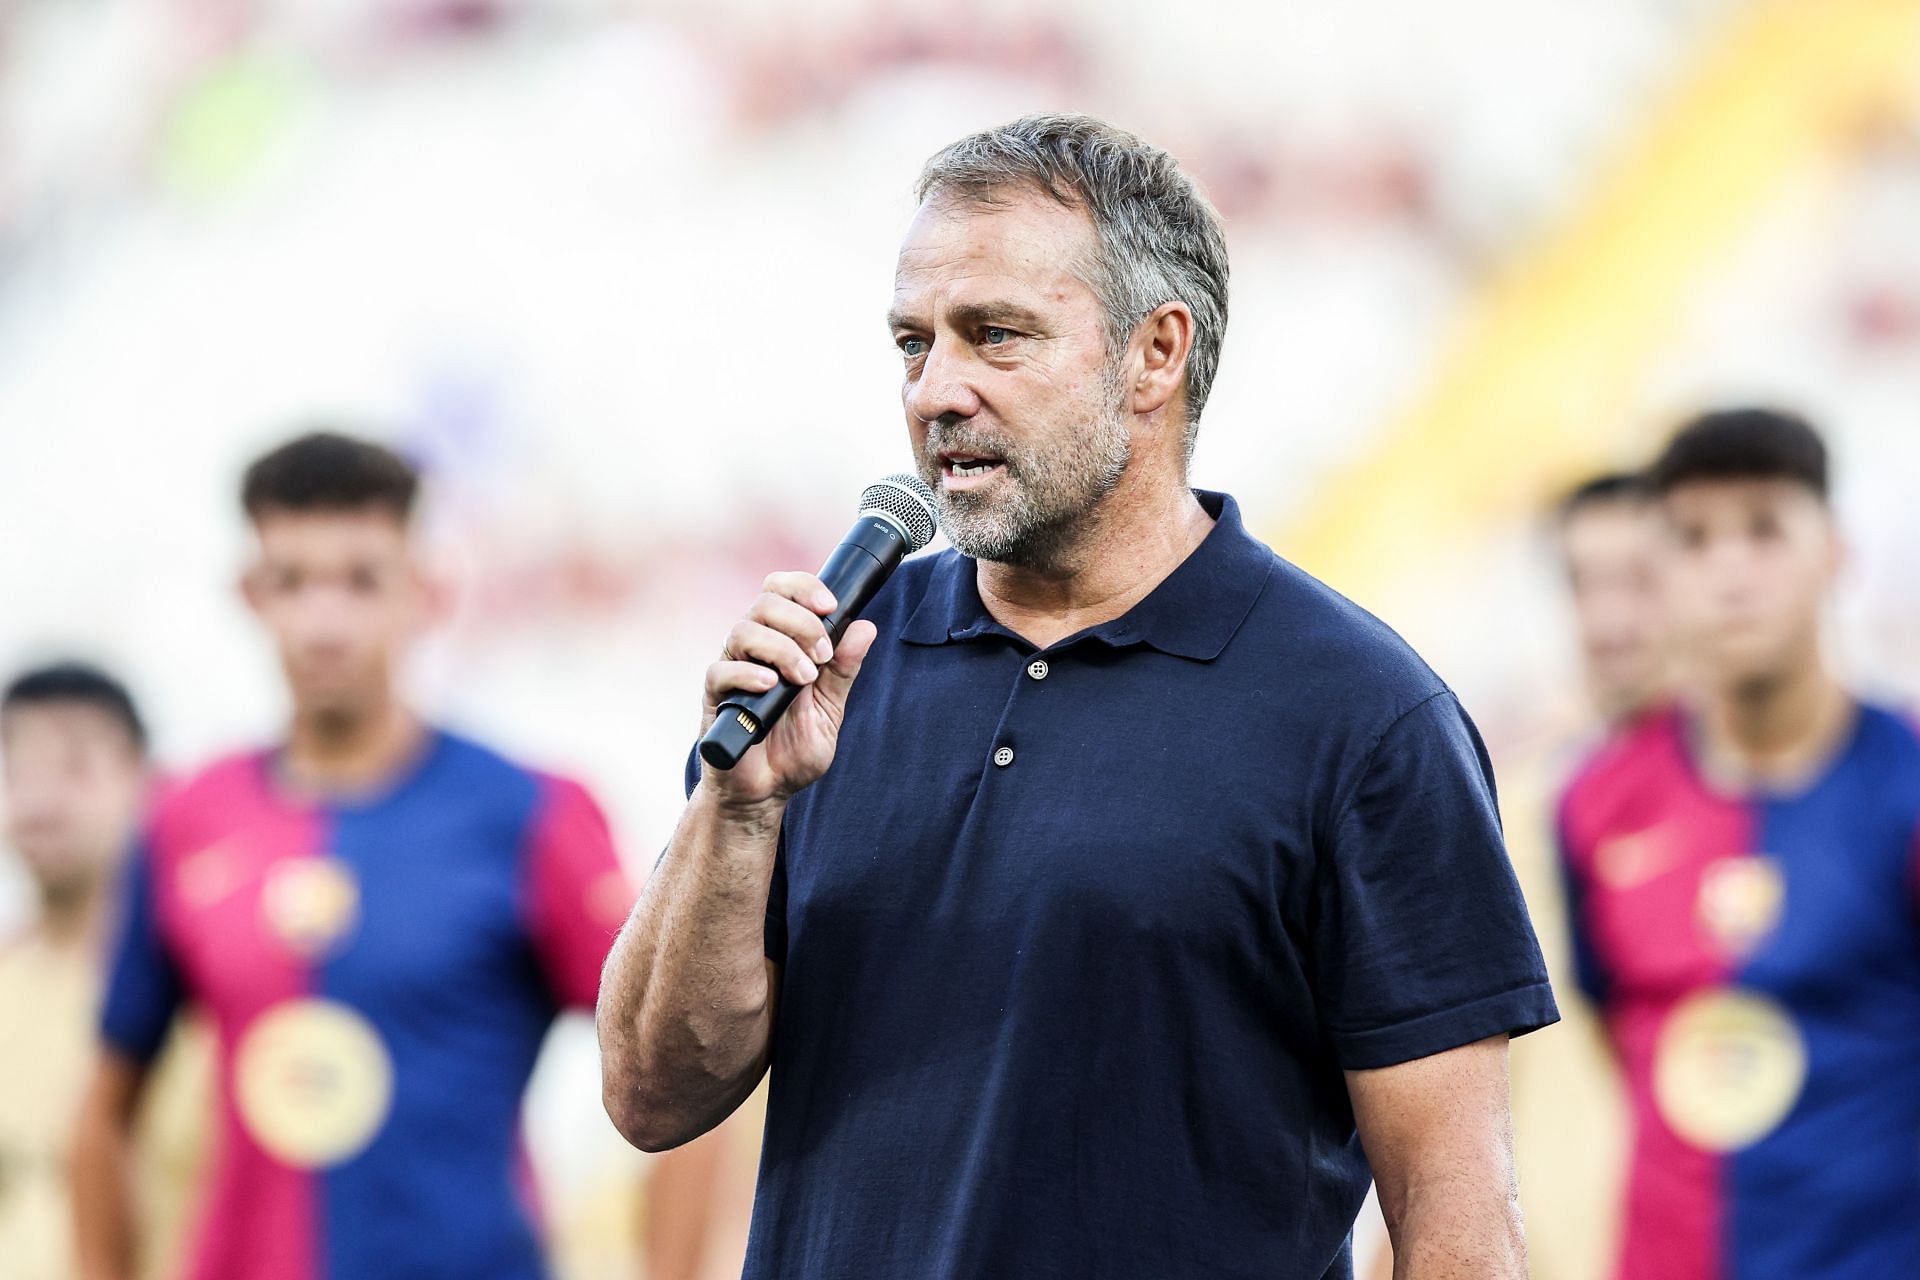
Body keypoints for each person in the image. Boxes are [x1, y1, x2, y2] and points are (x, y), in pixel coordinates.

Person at [598, 113, 1558, 1280]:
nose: (936, 389)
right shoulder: (833, 666)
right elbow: (651, 1092)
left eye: (994, 336)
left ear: (1156, 352)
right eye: (914, 342)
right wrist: (734, 812)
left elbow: (1458, 1219)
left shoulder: (1363, 717)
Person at [69, 432, 636, 1280]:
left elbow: (685, 1065)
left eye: (361, 580)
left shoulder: (530, 811)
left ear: (427, 592)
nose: (323, 622)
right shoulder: (185, 819)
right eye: (291, 581)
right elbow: (105, 1111)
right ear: (250, 595)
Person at [1557, 409, 1920, 1279]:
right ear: (1660, 574)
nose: (1730, 572)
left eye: (1765, 529)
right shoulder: (1596, 802)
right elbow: (1616, 1031)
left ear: (1835, 550)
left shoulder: (1905, 788)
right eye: (1693, 539)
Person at [0, 665, 154, 1280]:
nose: (40, 804)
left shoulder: (201, 995)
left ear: (144, 780)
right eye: (16, 772)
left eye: (75, 768)